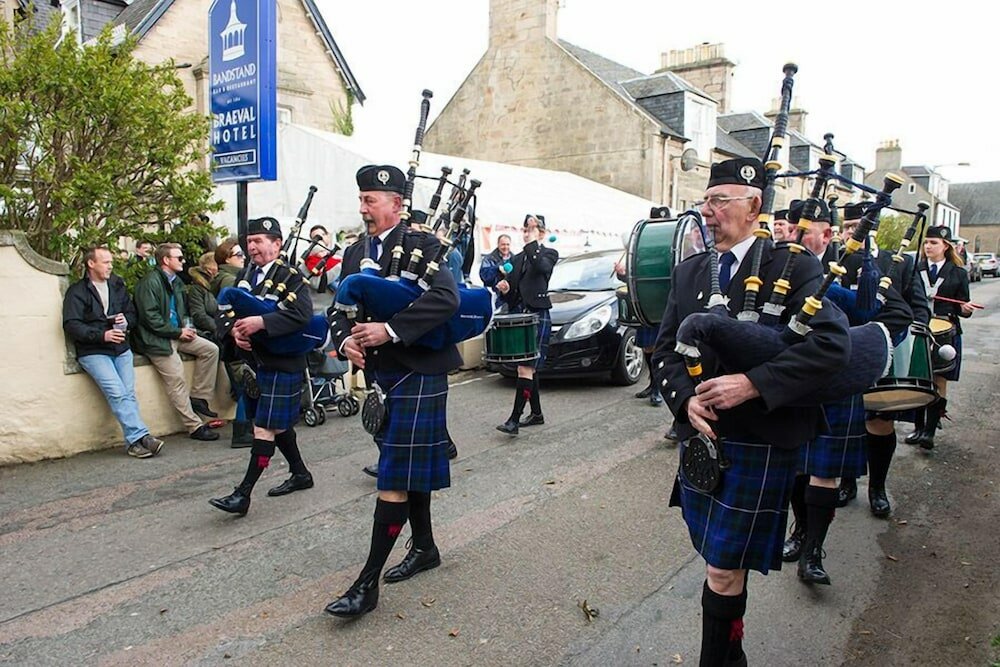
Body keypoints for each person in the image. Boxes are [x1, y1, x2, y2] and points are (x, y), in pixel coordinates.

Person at [652, 158, 850, 666]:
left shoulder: (794, 265)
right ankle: (729, 652)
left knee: (723, 566)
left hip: (760, 439)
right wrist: (686, 399)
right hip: (704, 440)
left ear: (754, 205)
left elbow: (829, 347)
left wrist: (752, 383)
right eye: (705, 201)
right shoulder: (689, 270)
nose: (708, 211)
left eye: (720, 201)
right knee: (714, 558)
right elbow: (666, 351)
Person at [324, 165, 461, 618]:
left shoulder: (426, 246)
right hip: (382, 379)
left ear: (397, 204)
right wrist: (344, 341)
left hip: (419, 372)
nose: (363, 208)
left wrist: (390, 329)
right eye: (361, 199)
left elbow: (446, 300)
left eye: (371, 200)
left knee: (393, 476)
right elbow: (339, 307)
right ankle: (424, 547)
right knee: (405, 470)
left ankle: (366, 586)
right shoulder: (353, 252)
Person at [780, 199, 911, 585]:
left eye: (805, 230)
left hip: (837, 378)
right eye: (793, 228)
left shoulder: (863, 265)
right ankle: (800, 531)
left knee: (825, 473)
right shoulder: (776, 263)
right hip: (790, 376)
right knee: (795, 468)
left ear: (827, 234)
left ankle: (813, 552)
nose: (796, 236)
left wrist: (867, 349)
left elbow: (895, 314)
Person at [209, 217, 316, 515]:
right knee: (276, 424)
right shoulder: (245, 275)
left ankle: (242, 494)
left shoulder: (291, 276)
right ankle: (300, 473)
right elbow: (223, 312)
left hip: (284, 361)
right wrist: (233, 332)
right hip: (256, 362)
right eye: (250, 241)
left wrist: (261, 322)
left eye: (259, 240)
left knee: (265, 426)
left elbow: (302, 315)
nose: (252, 246)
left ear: (277, 244)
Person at [835, 203, 931, 514]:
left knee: (879, 422)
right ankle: (847, 482)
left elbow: (917, 307)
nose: (855, 232)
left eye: (861, 226)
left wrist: (905, 336)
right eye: (849, 226)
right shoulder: (834, 263)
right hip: (841, 356)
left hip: (886, 350)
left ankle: (877, 487)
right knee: (847, 422)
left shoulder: (897, 262)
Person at [62, 246, 165, 458]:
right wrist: (102, 335)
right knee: (117, 392)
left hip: (121, 349)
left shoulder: (117, 284)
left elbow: (132, 313)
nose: (111, 266)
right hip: (94, 351)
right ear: (91, 264)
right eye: (106, 262)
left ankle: (135, 443)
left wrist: (125, 321)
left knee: (127, 394)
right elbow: (72, 324)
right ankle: (142, 437)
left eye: (111, 262)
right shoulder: (77, 291)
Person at [133, 243, 220, 441]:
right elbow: (150, 318)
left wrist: (186, 329)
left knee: (211, 350)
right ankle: (194, 426)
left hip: (176, 333)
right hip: (157, 339)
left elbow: (181, 312)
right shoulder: (150, 283)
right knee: (177, 379)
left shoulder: (177, 282)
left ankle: (199, 398)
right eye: (179, 258)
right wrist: (177, 331)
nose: (183, 261)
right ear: (166, 260)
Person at [906, 225, 973, 449]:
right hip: (919, 327)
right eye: (926, 242)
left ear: (946, 246)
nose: (928, 246)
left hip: (945, 331)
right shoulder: (915, 268)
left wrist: (965, 309)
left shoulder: (958, 272)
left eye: (933, 243)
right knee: (917, 377)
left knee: (938, 380)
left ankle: (929, 431)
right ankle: (916, 427)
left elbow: (965, 306)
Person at [495, 214, 559, 435]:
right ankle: (537, 413)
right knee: (530, 369)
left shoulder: (549, 253)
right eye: (525, 229)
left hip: (538, 313)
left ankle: (514, 420)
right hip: (521, 317)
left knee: (526, 367)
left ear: (541, 232)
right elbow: (512, 296)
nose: (526, 232)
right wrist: (504, 290)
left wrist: (532, 244)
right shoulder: (518, 258)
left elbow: (541, 268)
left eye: (531, 229)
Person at [211, 238, 252, 448]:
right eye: (238, 255)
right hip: (235, 341)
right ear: (226, 259)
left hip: (231, 341)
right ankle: (242, 431)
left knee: (245, 385)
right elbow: (232, 311)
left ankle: (245, 428)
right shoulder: (230, 280)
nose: (243, 258)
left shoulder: (229, 277)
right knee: (247, 385)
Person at [186, 252, 219, 338]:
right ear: (210, 269)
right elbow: (198, 315)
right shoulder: (197, 289)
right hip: (207, 333)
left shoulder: (213, 285)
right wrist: (220, 328)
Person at [479, 233, 513, 308]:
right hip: (493, 297)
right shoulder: (488, 259)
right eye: (503, 244)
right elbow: (485, 277)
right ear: (498, 244)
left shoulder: (515, 259)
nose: (505, 247)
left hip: (509, 298)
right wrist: (497, 269)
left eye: (508, 244)